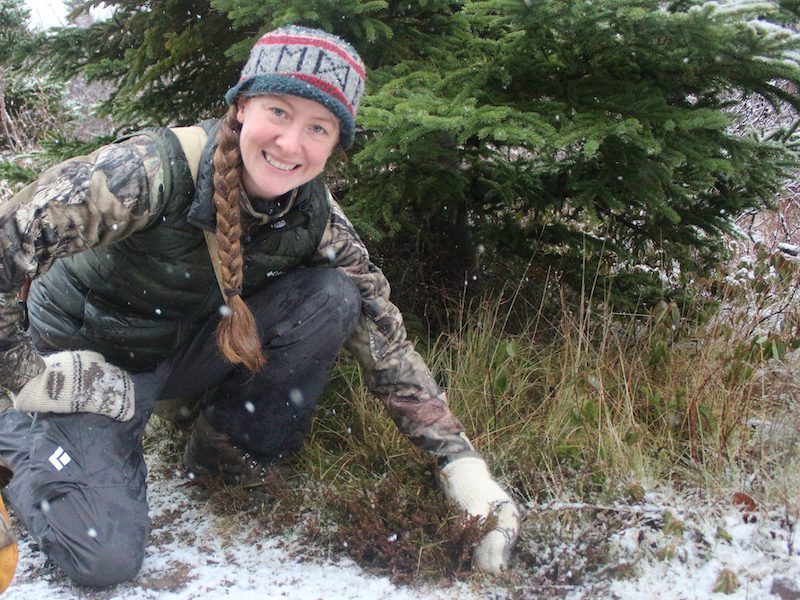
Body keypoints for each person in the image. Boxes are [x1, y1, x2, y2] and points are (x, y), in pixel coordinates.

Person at [0, 26, 520, 587]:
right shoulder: (147, 172)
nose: (291, 144)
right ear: (243, 106)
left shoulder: (313, 216)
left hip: (182, 348)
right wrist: (26, 373)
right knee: (100, 560)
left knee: (333, 297)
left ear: (334, 143)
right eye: (278, 110)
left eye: (317, 127)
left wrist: (462, 469)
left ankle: (222, 456)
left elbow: (383, 337)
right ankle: (18, 432)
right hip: (86, 367)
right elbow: (9, 240)